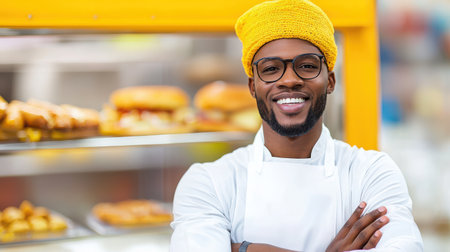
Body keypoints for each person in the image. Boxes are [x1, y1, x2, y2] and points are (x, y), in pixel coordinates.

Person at [170, 0, 423, 251]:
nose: (290, 80)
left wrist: (243, 249)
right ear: (252, 87)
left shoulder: (371, 173)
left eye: (307, 66)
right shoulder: (209, 182)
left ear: (330, 81)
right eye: (270, 69)